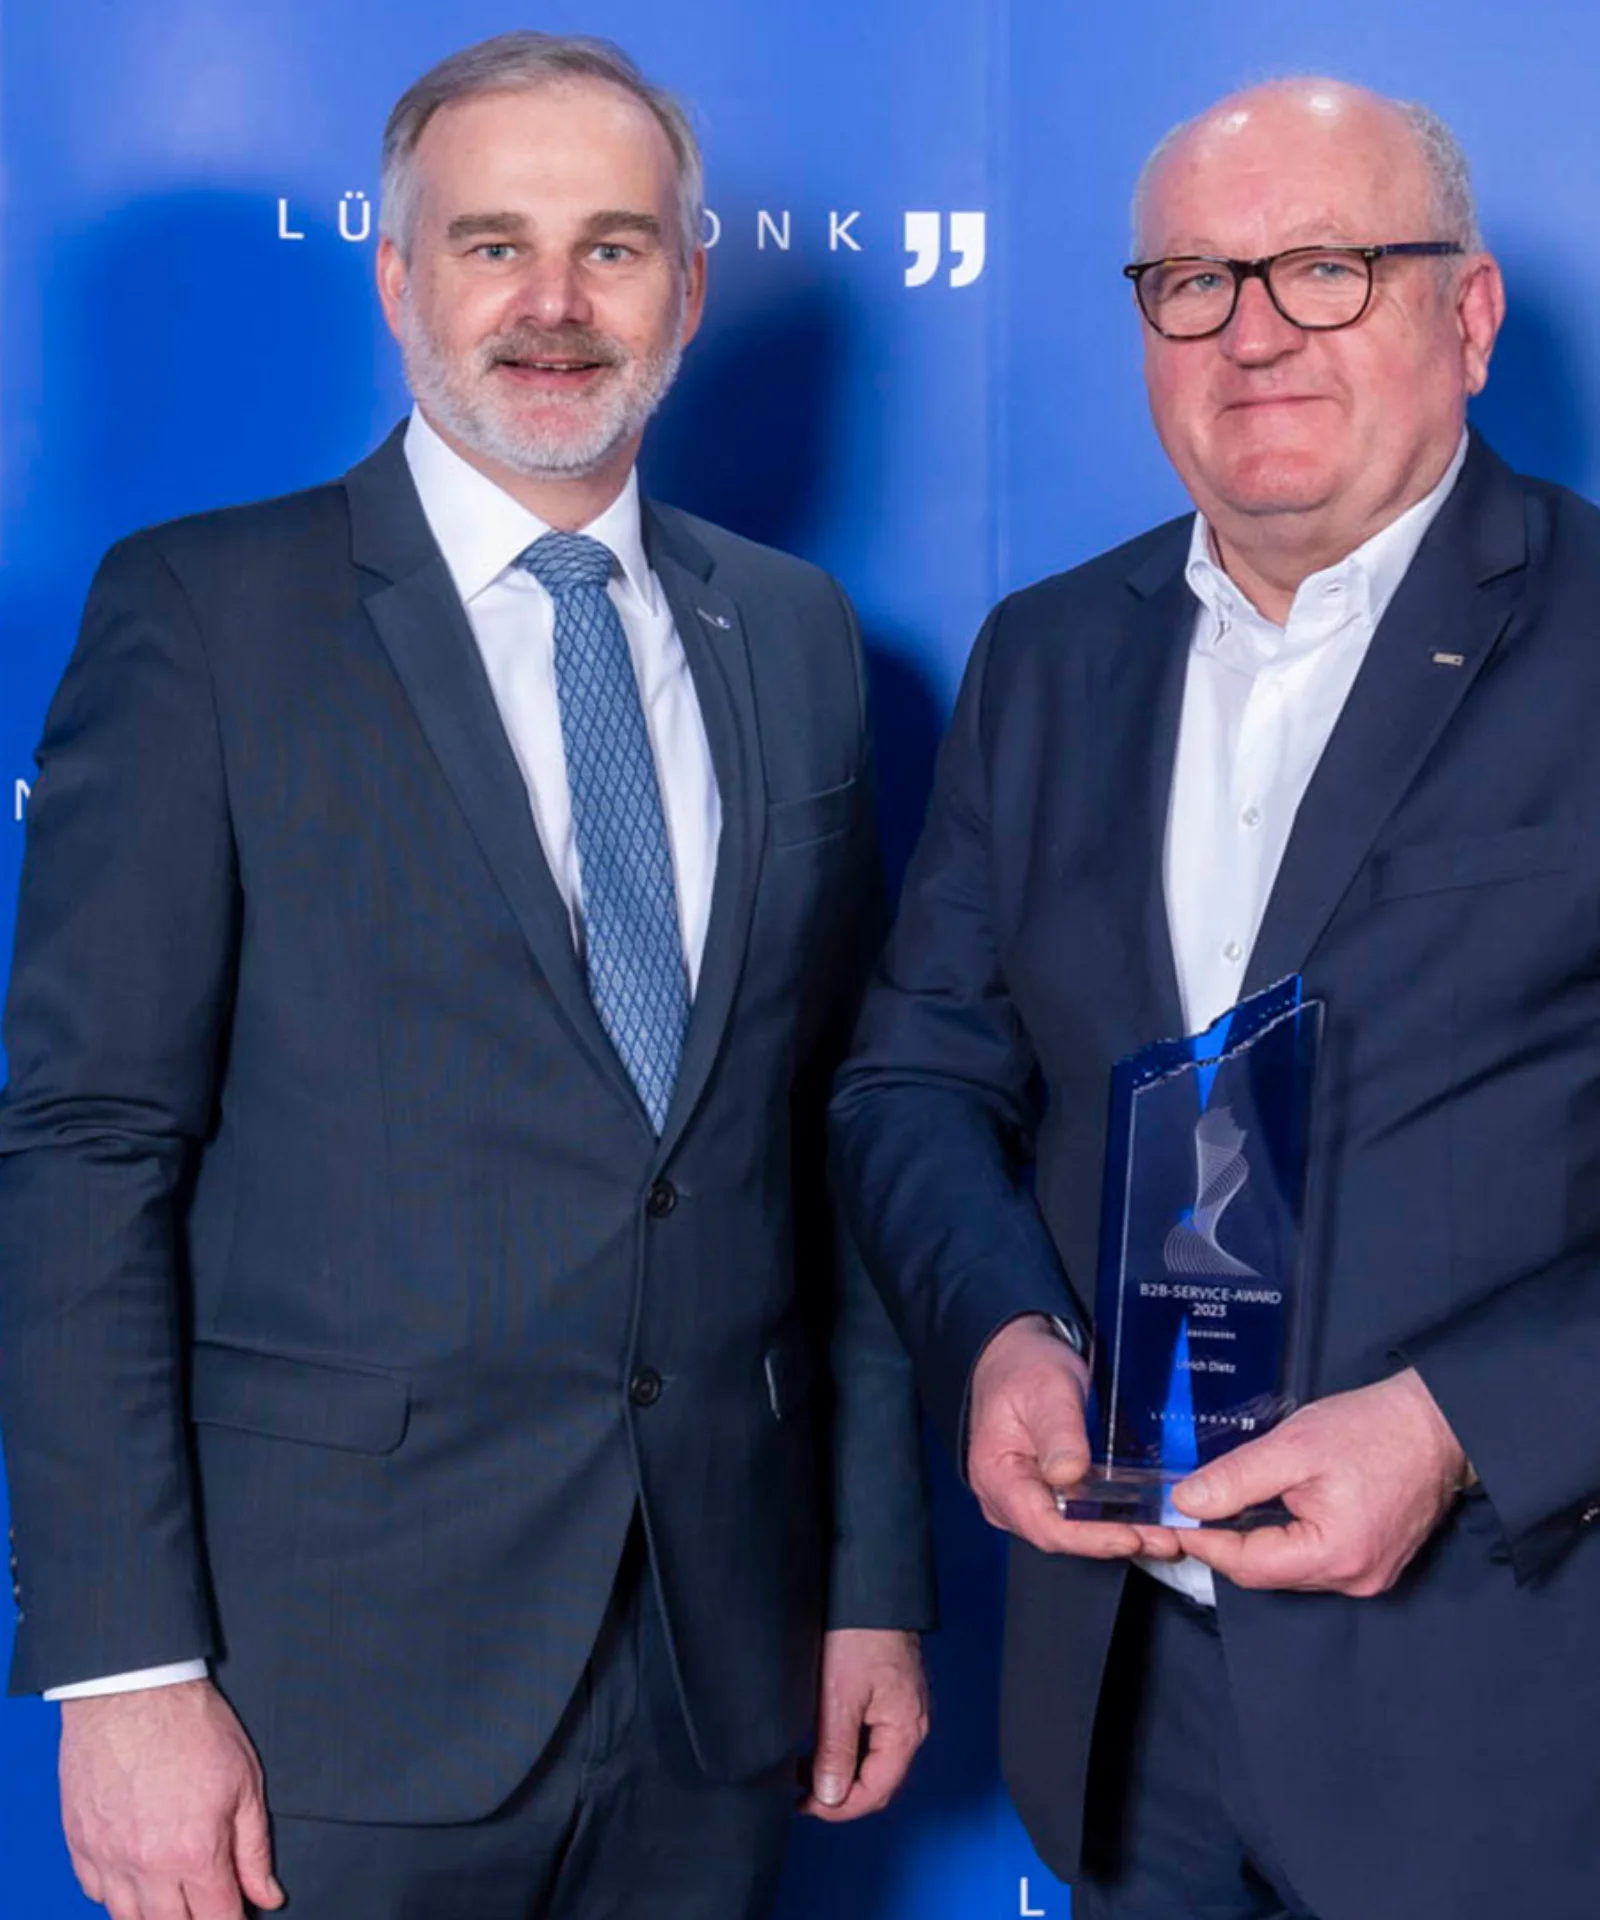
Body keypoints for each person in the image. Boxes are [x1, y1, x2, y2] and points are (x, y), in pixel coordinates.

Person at [0, 31, 933, 1920]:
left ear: (687, 280)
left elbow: (831, 1153)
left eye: (613, 245)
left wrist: (868, 1583)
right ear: (396, 271)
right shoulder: (203, 616)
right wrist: (127, 1673)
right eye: (492, 242)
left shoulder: (805, 638)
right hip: (313, 1698)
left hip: (716, 1675)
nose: (553, 304)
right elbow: (88, 1152)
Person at [832, 75, 1600, 1920]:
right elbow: (917, 1080)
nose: (1252, 332)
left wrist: (1457, 1424)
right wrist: (1003, 1335)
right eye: (1192, 279)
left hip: (1514, 1705)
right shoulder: (1048, 657)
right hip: (1127, 1722)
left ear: (1469, 316)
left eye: (1327, 268)